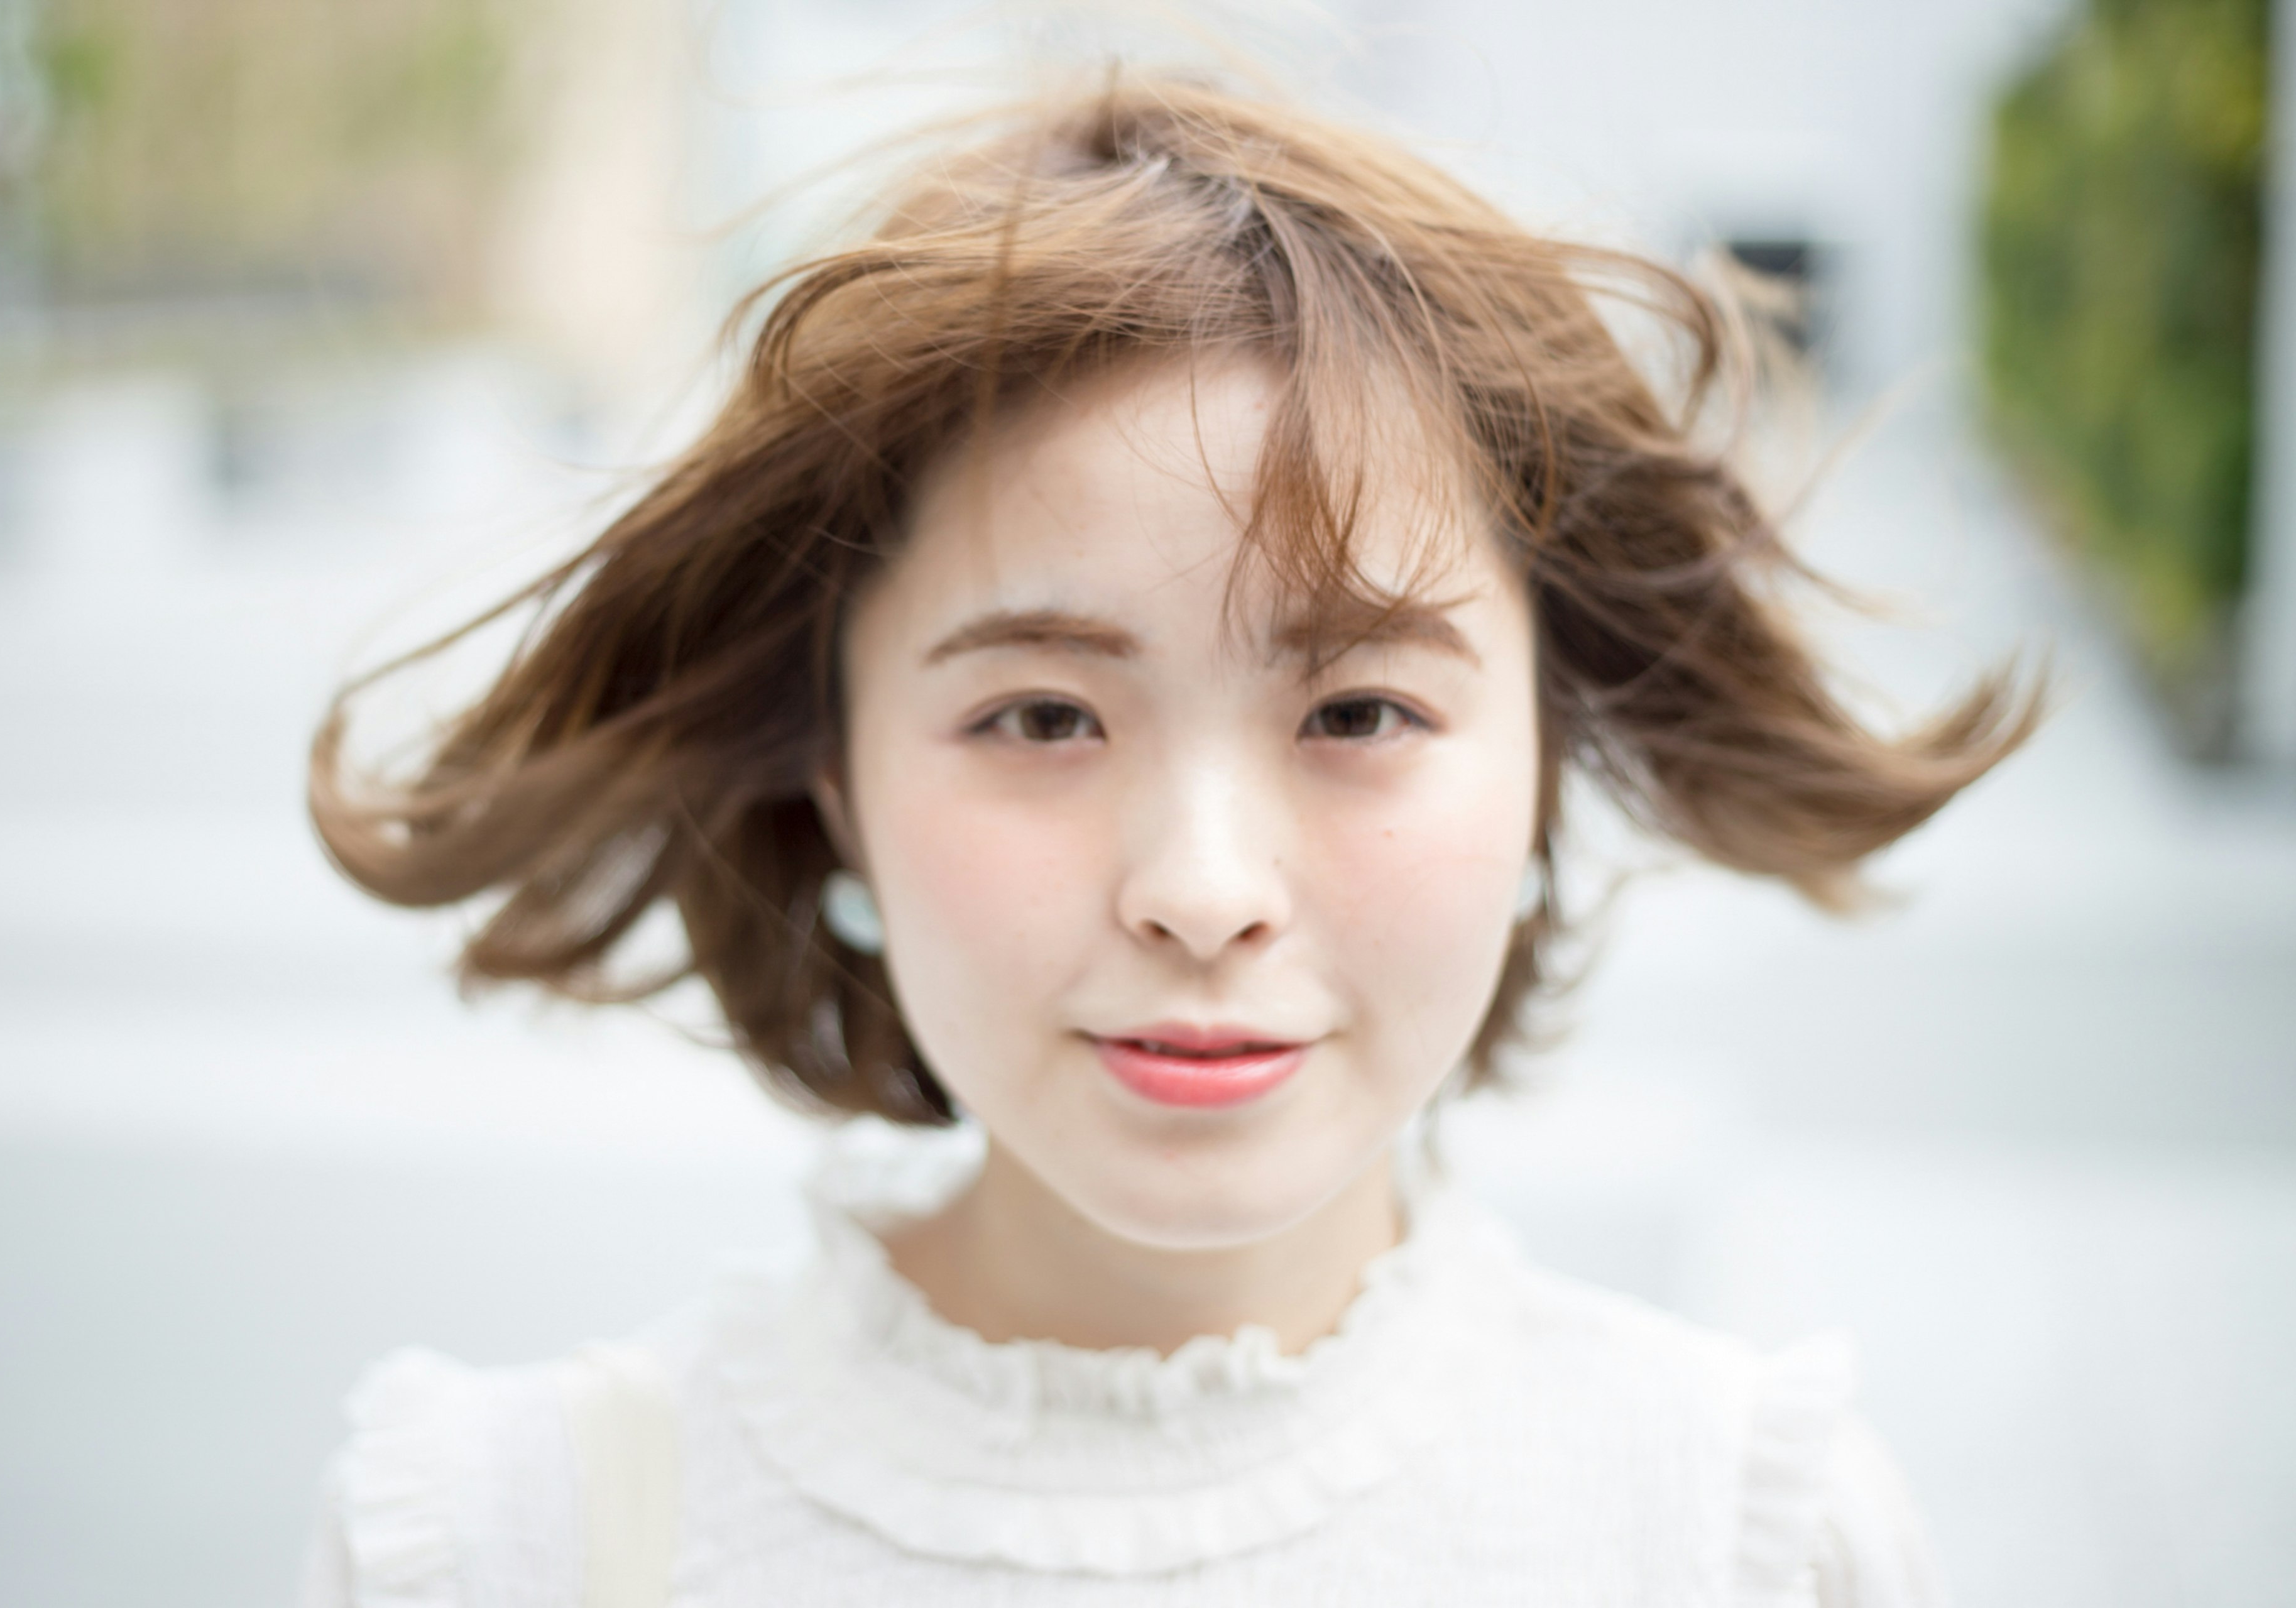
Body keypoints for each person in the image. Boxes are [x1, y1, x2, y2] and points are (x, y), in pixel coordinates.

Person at [298, 72, 2032, 1606]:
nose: (1202, 895)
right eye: (1042, 717)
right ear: (830, 774)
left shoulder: (1748, 1541)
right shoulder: (500, 1542)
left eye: (1358, 714)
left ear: (1542, 763)